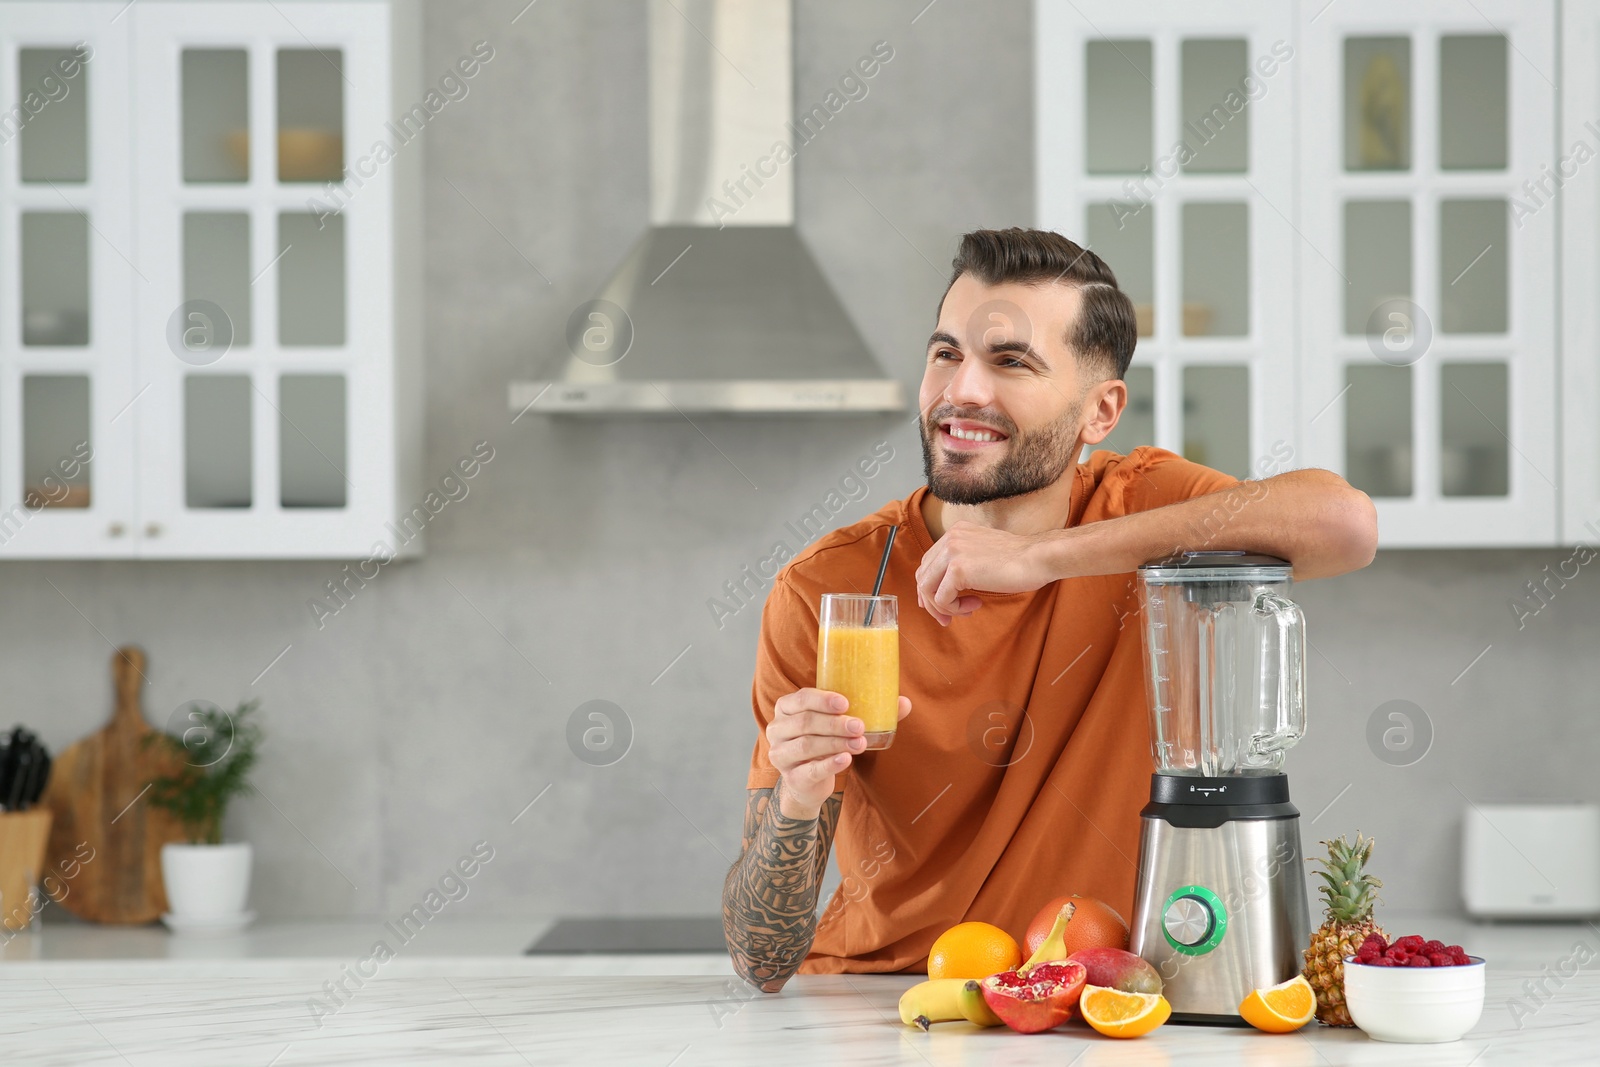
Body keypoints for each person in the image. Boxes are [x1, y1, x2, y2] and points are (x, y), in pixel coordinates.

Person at [721, 228, 1378, 991]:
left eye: (1010, 362)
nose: (961, 390)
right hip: (894, 995)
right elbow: (760, 956)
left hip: (1114, 992)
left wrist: (1040, 559)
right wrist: (797, 798)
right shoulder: (829, 590)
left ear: (1100, 412)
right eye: (946, 353)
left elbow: (1347, 525)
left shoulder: (1144, 509)